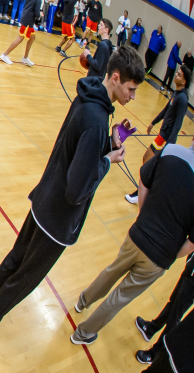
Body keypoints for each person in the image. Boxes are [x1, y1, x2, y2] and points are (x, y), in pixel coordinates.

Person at [0, 47, 145, 365]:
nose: (132, 97)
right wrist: (108, 160)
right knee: (26, 278)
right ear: (116, 78)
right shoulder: (97, 119)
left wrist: (107, 145)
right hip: (58, 217)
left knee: (15, 260)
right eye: (131, 89)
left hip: (44, 197)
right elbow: (77, 189)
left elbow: (76, 150)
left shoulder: (88, 97)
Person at [70, 133, 194, 346]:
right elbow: (192, 243)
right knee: (120, 297)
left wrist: (143, 216)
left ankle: (82, 302)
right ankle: (82, 334)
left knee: (112, 271)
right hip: (159, 257)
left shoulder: (171, 150)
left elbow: (143, 181)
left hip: (137, 234)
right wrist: (169, 253)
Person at [125, 65, 190, 204]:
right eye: (177, 72)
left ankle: (141, 193)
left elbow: (177, 125)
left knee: (147, 162)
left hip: (166, 138)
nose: (176, 74)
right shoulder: (176, 94)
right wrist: (153, 122)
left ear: (184, 81)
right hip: (162, 135)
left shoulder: (183, 99)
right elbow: (166, 110)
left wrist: (169, 146)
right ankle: (148, 192)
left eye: (179, 74)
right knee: (148, 162)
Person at [136, 253, 194, 365]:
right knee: (172, 303)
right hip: (190, 269)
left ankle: (155, 354)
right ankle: (150, 329)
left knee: (175, 317)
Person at [0, 0, 45, 67]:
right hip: (28, 20)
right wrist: (40, 14)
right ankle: (4, 55)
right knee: (20, 38)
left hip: (25, 17)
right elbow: (36, 13)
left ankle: (25, 58)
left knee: (32, 38)